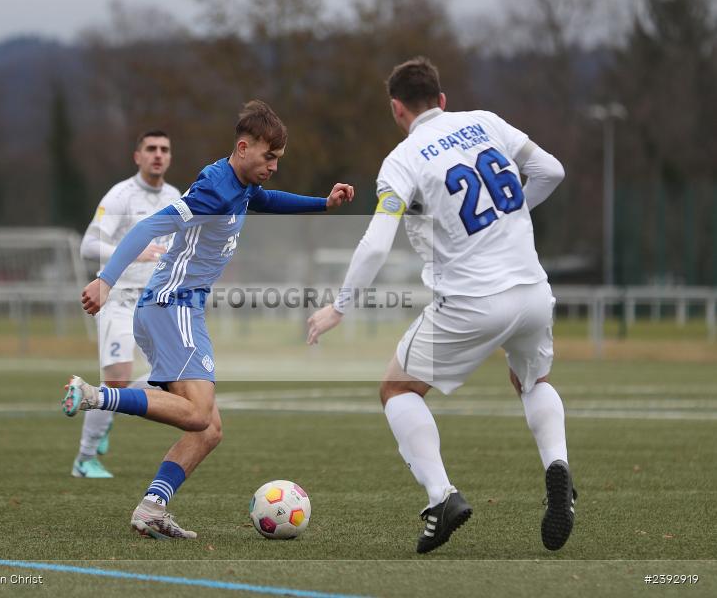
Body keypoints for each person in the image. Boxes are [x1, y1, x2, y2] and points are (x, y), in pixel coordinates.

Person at [306, 57, 575, 554]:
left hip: (472, 301)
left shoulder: (402, 160)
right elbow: (550, 170)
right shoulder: (484, 122)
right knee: (533, 382)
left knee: (397, 389)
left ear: (396, 109)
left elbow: (374, 244)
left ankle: (441, 496)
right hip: (533, 291)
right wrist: (505, 213)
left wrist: (340, 307)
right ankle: (557, 467)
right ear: (442, 99)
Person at [62, 100, 354, 539]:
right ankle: (96, 396)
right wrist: (105, 280)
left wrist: (323, 204)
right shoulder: (214, 189)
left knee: (210, 428)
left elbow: (268, 200)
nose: (273, 166)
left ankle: (151, 507)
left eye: (278, 158)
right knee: (199, 415)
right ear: (243, 147)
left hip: (179, 308)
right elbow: (148, 228)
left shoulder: (242, 184)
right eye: (269, 157)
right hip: (170, 304)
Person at [70, 130, 181, 479]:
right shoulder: (120, 195)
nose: (158, 155)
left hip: (156, 304)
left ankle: (110, 408)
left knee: (170, 379)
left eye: (164, 149)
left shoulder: (176, 196)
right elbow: (89, 245)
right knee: (116, 377)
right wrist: (130, 251)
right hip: (117, 299)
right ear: (137, 156)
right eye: (151, 149)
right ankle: (85, 459)